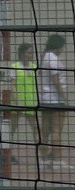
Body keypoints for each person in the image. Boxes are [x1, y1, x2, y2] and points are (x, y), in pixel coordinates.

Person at [40, 34, 68, 165]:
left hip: (46, 98)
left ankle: (44, 159)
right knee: (57, 130)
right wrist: (64, 96)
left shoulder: (45, 57)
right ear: (58, 46)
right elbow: (55, 79)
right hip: (55, 99)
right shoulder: (53, 58)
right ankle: (57, 160)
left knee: (45, 130)